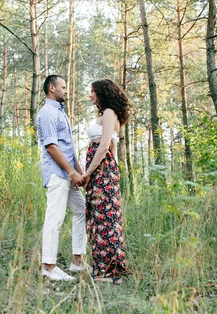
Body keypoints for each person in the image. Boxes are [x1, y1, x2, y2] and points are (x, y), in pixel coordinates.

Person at [36, 75, 88, 281]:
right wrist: (70, 171)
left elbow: (67, 145)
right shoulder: (47, 112)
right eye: (63, 87)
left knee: (81, 210)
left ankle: (77, 262)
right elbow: (51, 147)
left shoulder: (60, 112)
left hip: (67, 172)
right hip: (57, 174)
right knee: (54, 217)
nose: (67, 91)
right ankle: (48, 267)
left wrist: (78, 169)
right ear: (52, 88)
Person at [80, 79, 130, 285]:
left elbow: (104, 147)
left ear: (102, 92)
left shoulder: (109, 113)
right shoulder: (106, 114)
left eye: (93, 91)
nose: (90, 95)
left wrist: (88, 173)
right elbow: (113, 148)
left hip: (101, 171)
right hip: (104, 171)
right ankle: (106, 269)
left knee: (104, 220)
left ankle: (108, 272)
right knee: (101, 219)